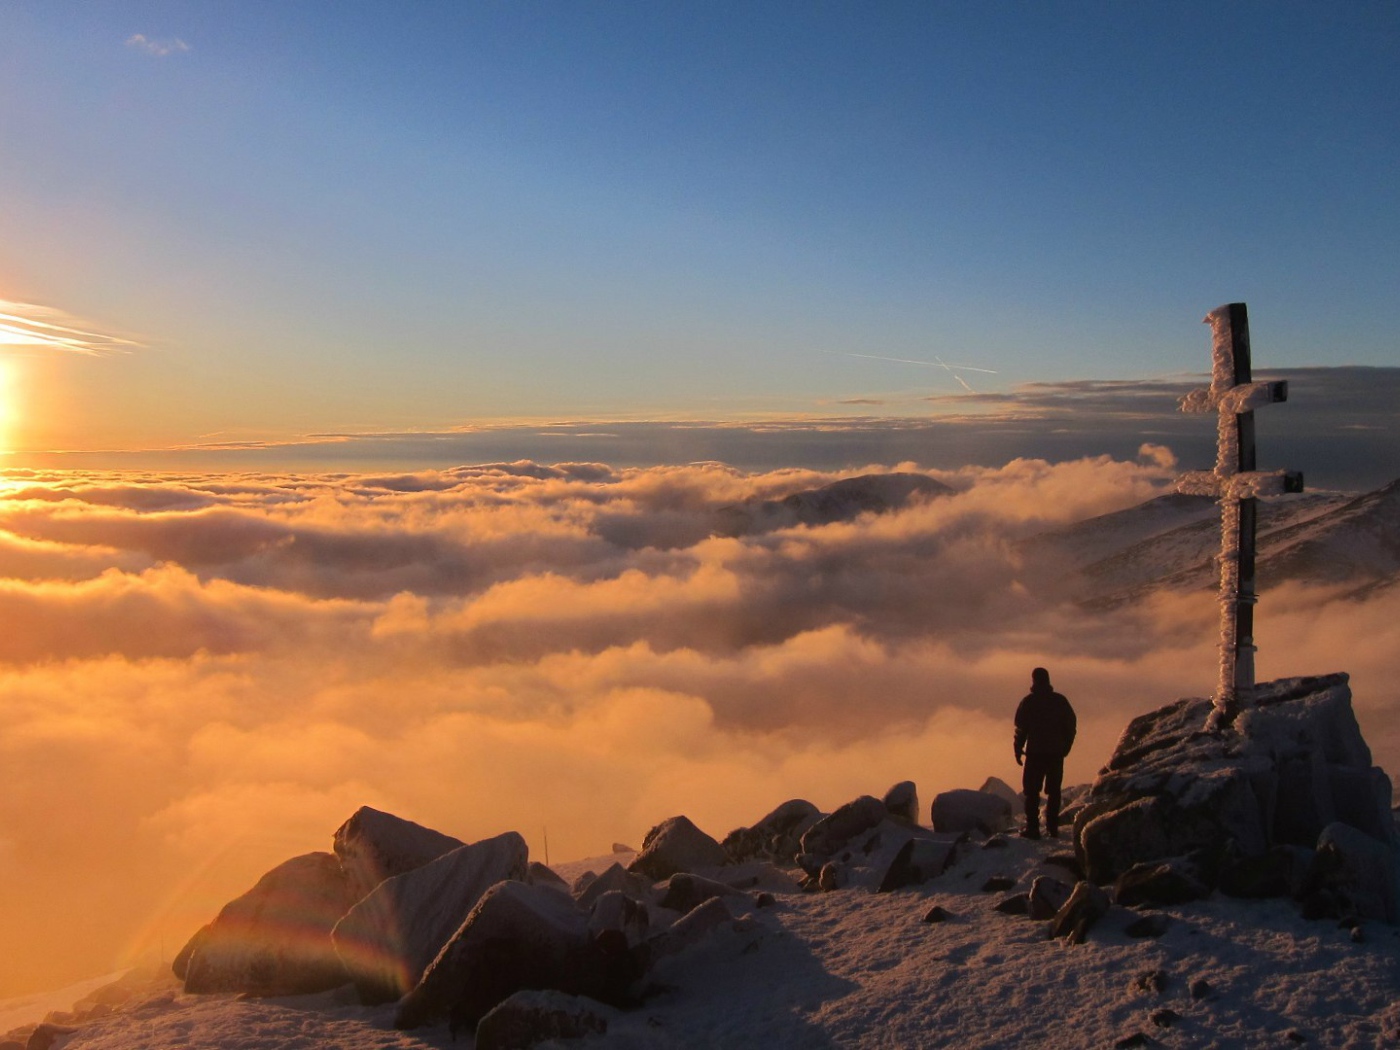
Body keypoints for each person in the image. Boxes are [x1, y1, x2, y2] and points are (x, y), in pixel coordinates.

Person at [1013, 667, 1076, 839]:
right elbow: (1070, 727)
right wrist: (1066, 747)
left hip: (1035, 754)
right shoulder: (1060, 701)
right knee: (1054, 791)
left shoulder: (1029, 702)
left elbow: (1021, 729)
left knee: (1032, 791)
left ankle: (1033, 828)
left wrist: (1018, 750)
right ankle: (1052, 828)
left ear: (1034, 680)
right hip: (1055, 754)